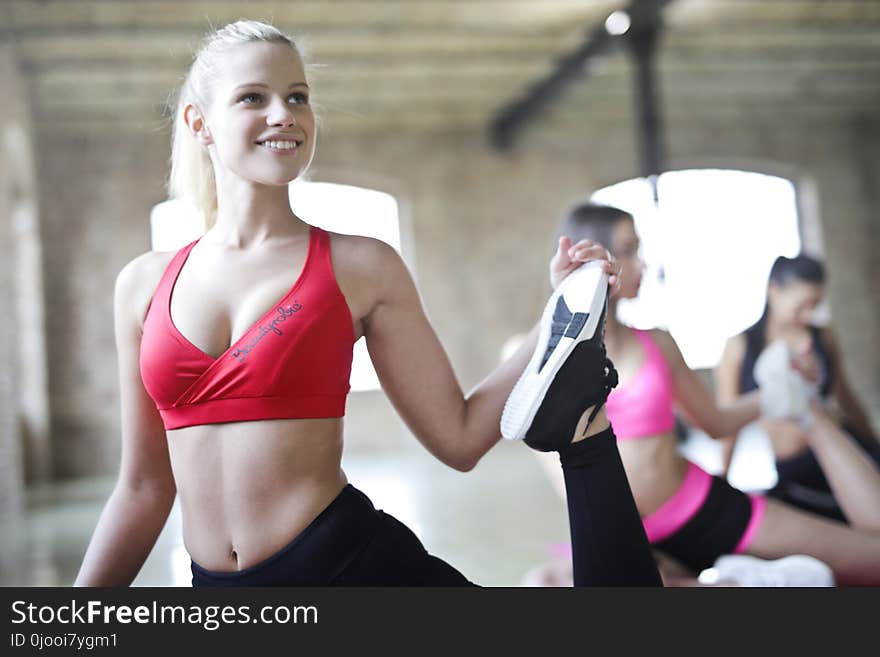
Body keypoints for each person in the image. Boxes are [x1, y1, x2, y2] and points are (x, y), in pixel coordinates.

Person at [73, 20, 662, 587]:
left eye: (297, 97)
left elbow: (457, 439)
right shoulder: (143, 285)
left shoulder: (361, 267)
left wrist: (551, 322)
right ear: (199, 122)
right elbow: (145, 487)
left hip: (351, 571)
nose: (284, 114)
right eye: (254, 97)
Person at [522, 201, 880, 586]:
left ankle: (733, 580)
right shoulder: (534, 354)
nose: (641, 265)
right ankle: (736, 582)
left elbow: (715, 422)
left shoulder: (658, 343)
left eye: (638, 250)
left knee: (873, 561)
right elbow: (559, 474)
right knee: (540, 583)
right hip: (622, 533)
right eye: (627, 251)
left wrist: (779, 391)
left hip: (702, 511)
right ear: (591, 253)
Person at [715, 254, 880, 520]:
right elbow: (728, 422)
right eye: (801, 305)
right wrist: (723, 476)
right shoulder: (741, 347)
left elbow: (845, 397)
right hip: (796, 471)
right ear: (774, 291)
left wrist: (872, 438)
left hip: (843, 449)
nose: (808, 315)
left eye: (814, 305)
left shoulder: (822, 336)